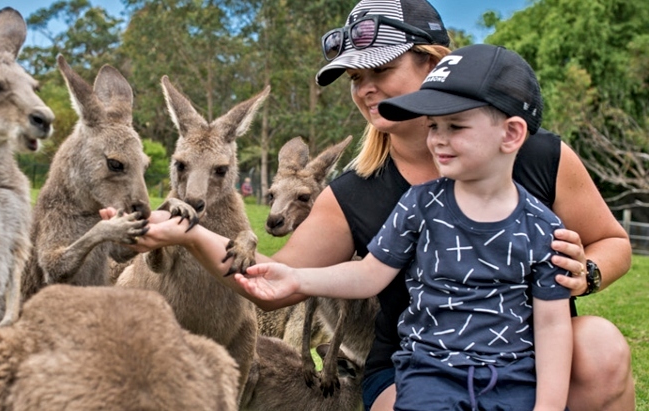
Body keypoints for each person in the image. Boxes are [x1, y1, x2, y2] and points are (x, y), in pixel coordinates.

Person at [115, 0, 635, 409]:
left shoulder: (535, 153)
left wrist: (584, 272)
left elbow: (613, 243)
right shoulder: (358, 192)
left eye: (378, 71)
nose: (364, 90)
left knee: (601, 347)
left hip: (526, 349)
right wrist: (189, 234)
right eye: (355, 79)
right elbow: (273, 280)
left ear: (433, 66)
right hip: (422, 364)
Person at [235, 43, 573, 411]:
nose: (438, 139)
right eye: (433, 126)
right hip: (431, 377)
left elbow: (552, 324)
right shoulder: (419, 204)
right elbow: (369, 274)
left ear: (510, 135)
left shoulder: (541, 225)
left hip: (511, 377)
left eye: (454, 126)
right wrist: (299, 279)